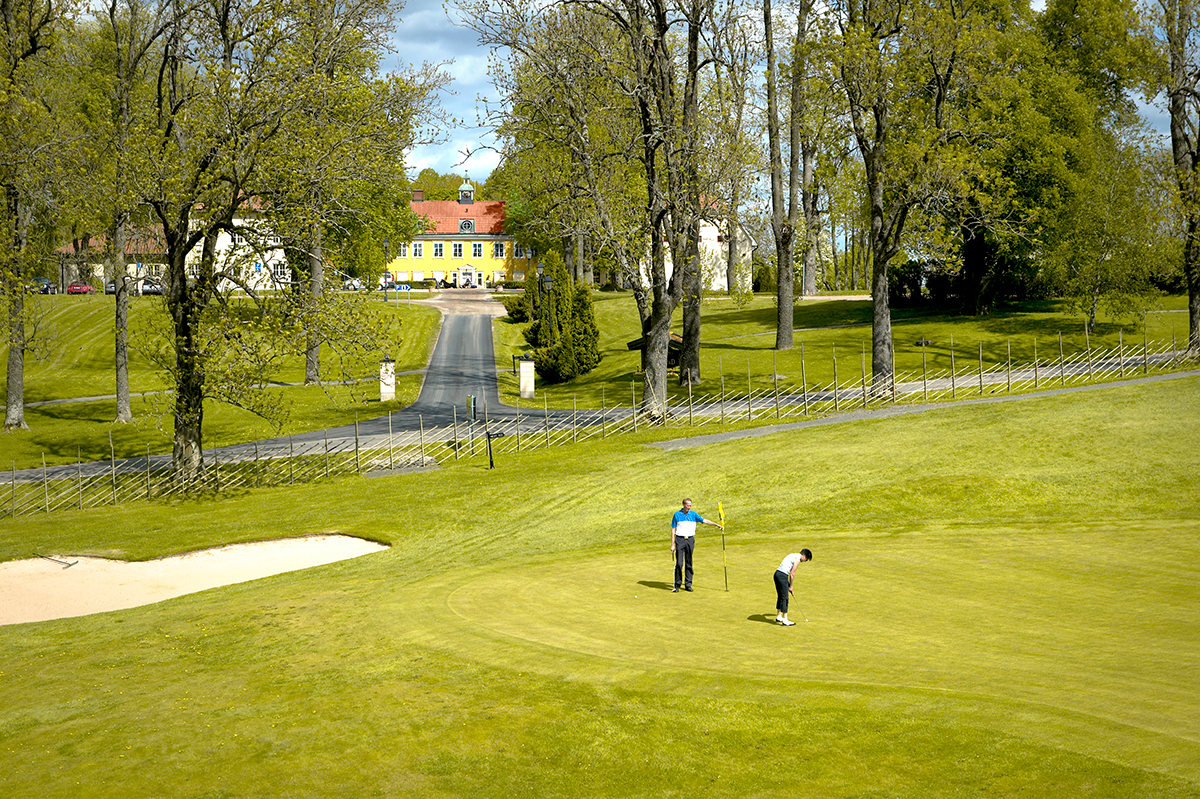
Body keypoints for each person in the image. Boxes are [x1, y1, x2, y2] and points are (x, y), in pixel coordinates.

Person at [670, 498, 723, 592]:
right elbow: (673, 529)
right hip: (680, 540)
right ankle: (677, 585)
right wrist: (672, 544)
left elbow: (705, 521)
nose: (689, 506)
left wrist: (716, 525)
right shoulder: (677, 515)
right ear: (683, 505)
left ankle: (688, 584)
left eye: (690, 505)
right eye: (687, 505)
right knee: (679, 563)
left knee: (689, 562)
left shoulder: (693, 514)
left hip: (690, 540)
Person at [774, 549, 812, 626]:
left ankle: (779, 616)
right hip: (782, 575)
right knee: (785, 597)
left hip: (777, 574)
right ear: (804, 556)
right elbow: (792, 574)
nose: (805, 561)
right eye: (806, 559)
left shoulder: (793, 555)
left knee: (781, 596)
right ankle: (785, 619)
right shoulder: (797, 559)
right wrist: (791, 586)